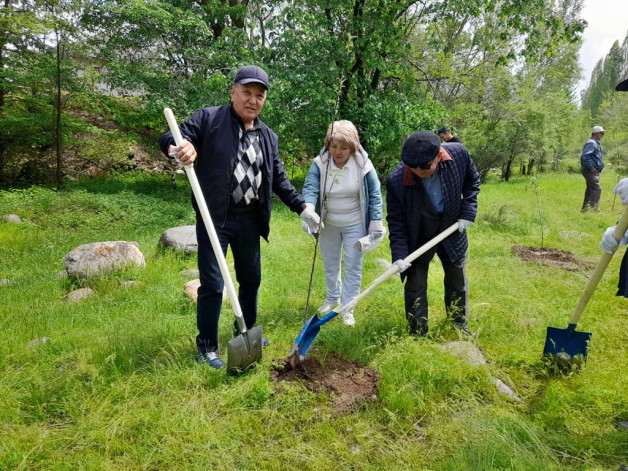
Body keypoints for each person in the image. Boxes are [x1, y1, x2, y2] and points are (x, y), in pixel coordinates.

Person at [159, 65, 320, 369]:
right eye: (247, 92)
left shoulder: (268, 136)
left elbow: (280, 180)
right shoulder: (209, 119)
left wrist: (303, 208)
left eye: (259, 95)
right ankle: (206, 346)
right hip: (215, 218)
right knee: (213, 283)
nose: (253, 100)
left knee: (251, 279)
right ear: (233, 92)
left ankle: (244, 330)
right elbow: (172, 135)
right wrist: (179, 147)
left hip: (249, 220)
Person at [386, 130, 480, 336]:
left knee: (457, 277)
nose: (419, 171)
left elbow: (472, 182)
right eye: (413, 168)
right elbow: (396, 222)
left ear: (438, 155)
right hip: (418, 233)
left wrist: (468, 212)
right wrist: (400, 255)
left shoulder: (459, 154)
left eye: (425, 167)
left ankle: (458, 325)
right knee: (415, 282)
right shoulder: (396, 180)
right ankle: (417, 332)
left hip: (453, 226)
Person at [301, 120, 385, 326]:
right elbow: (310, 188)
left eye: (343, 148)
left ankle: (348, 307)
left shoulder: (363, 165)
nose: (337, 152)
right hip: (327, 222)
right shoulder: (320, 163)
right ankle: (332, 298)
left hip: (355, 223)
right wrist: (309, 209)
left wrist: (375, 223)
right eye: (333, 146)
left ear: (353, 147)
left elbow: (374, 195)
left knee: (353, 265)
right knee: (330, 262)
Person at [581, 125, 605, 211]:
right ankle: (594, 209)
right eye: (602, 133)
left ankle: (585, 209)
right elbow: (585, 156)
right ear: (597, 133)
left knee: (590, 189)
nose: (602, 135)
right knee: (596, 189)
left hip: (593, 170)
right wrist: (591, 168)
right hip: (590, 171)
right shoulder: (591, 143)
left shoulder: (595, 143)